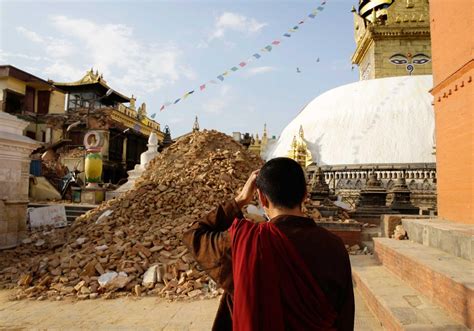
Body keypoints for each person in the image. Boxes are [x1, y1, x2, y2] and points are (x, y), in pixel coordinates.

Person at [183, 157, 354, 330]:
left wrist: (241, 199)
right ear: (305, 196)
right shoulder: (334, 247)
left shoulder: (244, 243)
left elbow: (193, 235)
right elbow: (345, 316)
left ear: (262, 198)